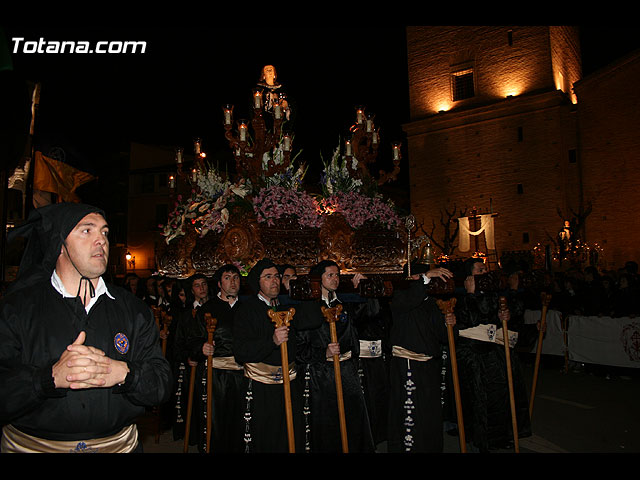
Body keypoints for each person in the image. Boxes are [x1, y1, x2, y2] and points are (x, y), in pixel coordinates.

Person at [0, 202, 171, 453]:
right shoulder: (17, 309)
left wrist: (125, 373)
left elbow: (162, 385)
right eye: (86, 231)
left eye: (104, 232)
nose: (101, 240)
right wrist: (49, 378)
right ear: (60, 244)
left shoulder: (133, 310)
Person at [232, 258, 323, 453]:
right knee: (267, 436)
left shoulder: (286, 306)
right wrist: (271, 341)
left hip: (289, 382)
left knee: (290, 433)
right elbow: (241, 351)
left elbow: (314, 320)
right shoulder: (246, 310)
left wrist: (299, 292)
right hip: (261, 387)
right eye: (268, 277)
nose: (274, 281)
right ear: (258, 282)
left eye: (276, 276)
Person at [296, 260, 375, 453]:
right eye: (329, 275)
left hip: (348, 372)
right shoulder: (308, 309)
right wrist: (323, 353)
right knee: (328, 424)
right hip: (322, 376)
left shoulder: (345, 303)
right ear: (318, 279)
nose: (335, 279)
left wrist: (364, 290)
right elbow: (298, 348)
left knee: (353, 420)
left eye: (337, 275)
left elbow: (372, 313)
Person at [454, 257, 531, 452]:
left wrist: (504, 316)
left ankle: (497, 436)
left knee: (497, 396)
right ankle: (481, 439)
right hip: (471, 352)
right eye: (480, 270)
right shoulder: (460, 296)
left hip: (490, 350)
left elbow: (495, 315)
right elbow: (470, 319)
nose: (484, 273)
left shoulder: (491, 294)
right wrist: (471, 294)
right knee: (478, 398)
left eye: (485, 269)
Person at [387, 262, 455, 453]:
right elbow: (409, 300)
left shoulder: (431, 302)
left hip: (428, 366)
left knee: (429, 414)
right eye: (421, 276)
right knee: (410, 414)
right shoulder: (400, 297)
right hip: (408, 363)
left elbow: (442, 336)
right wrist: (424, 278)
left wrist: (449, 324)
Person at [182, 264, 247, 453]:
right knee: (216, 423)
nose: (233, 282)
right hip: (217, 376)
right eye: (227, 278)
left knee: (242, 422)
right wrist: (201, 347)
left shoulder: (247, 308)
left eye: (236, 278)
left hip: (245, 374)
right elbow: (192, 340)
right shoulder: (207, 310)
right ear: (219, 283)